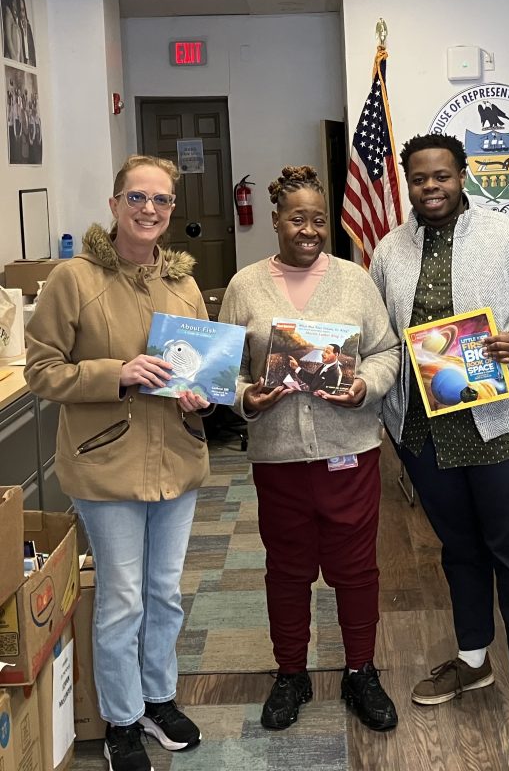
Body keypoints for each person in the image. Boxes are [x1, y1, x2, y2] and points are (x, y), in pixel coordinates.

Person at [370, 133, 509, 756]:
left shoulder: (507, 238)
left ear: (463, 176)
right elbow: (381, 335)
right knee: (459, 549)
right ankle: (473, 659)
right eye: (419, 179)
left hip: (504, 428)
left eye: (442, 176)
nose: (430, 187)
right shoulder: (389, 250)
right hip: (426, 433)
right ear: (408, 184)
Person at [25, 155, 211, 771]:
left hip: (176, 460)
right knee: (123, 597)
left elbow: (202, 371)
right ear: (114, 204)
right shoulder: (74, 279)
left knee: (165, 592)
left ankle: (158, 698)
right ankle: (122, 719)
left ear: (172, 210)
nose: (149, 210)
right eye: (137, 197)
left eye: (161, 200)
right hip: (106, 465)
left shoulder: (184, 285)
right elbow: (42, 371)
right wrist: (118, 373)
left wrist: (202, 395)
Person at [219, 165, 400, 733]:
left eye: (319, 220)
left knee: (356, 569)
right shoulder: (245, 286)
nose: (309, 230)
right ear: (275, 220)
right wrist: (247, 397)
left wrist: (366, 386)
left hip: (350, 452)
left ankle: (360, 671)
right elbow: (223, 373)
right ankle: (291, 673)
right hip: (278, 458)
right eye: (297, 219)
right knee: (287, 570)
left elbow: (387, 351)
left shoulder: (355, 280)